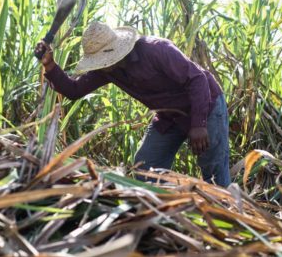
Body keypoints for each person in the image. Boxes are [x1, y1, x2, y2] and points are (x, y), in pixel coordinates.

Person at [35, 21, 230, 187]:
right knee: (146, 166)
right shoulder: (107, 70)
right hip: (169, 116)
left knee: (213, 171)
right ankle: (166, 215)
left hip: (205, 106)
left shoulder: (157, 50)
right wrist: (49, 65)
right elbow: (74, 91)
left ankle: (228, 219)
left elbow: (197, 80)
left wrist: (198, 124)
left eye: (103, 59)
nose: (102, 64)